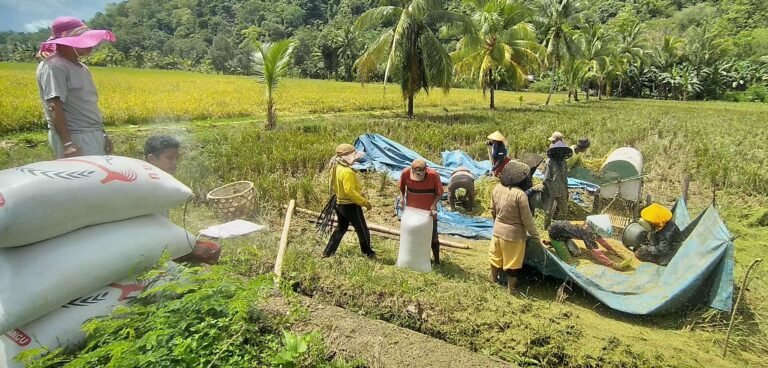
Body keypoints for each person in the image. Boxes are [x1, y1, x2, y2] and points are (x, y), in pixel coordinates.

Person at [36, 16, 116, 159]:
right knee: (85, 178)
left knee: (97, 178)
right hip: (75, 136)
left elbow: (89, 106)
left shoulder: (81, 67)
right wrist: (67, 144)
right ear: (67, 43)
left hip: (92, 133)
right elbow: (54, 106)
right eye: (82, 40)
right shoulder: (55, 67)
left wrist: (103, 134)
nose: (90, 44)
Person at [490, 160, 542, 292]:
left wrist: (497, 223)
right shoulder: (520, 194)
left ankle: (493, 281)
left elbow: (492, 210)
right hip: (514, 235)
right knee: (513, 264)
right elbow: (527, 219)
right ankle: (511, 290)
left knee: (496, 258)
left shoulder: (496, 188)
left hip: (497, 231)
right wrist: (535, 236)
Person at [322, 144, 376, 258]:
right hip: (350, 205)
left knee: (341, 228)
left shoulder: (336, 167)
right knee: (362, 230)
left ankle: (328, 252)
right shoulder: (347, 172)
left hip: (339, 203)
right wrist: (364, 202)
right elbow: (349, 191)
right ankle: (368, 253)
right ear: (348, 157)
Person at [398, 159, 444, 265]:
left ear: (426, 170)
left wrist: (433, 205)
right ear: (412, 170)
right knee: (412, 236)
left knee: (433, 238)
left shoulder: (433, 175)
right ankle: (414, 258)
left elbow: (439, 193)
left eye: (421, 174)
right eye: (416, 173)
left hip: (428, 213)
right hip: (412, 212)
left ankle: (437, 261)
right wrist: (402, 198)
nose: (418, 176)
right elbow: (401, 187)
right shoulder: (405, 173)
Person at [546, 215, 630, 270]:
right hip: (555, 234)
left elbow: (602, 241)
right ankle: (553, 243)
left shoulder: (591, 226)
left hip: (564, 233)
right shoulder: (587, 233)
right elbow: (596, 252)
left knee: (577, 252)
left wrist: (614, 251)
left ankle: (556, 243)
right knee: (571, 261)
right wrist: (612, 264)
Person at [542, 140, 572, 228]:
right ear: (554, 151)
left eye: (562, 151)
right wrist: (547, 192)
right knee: (548, 212)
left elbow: (565, 178)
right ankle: (546, 228)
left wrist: (566, 191)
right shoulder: (549, 163)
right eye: (558, 151)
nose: (560, 153)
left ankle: (558, 228)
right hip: (551, 190)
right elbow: (546, 179)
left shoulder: (564, 163)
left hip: (562, 190)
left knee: (564, 210)